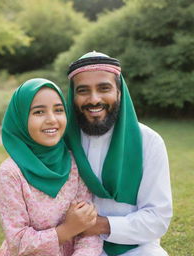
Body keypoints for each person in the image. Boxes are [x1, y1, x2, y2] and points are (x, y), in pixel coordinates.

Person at [65, 51, 173, 256]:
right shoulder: (61, 141)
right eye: (83, 90)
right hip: (71, 245)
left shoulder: (149, 142)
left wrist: (99, 226)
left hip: (135, 249)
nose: (94, 99)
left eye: (104, 88)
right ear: (72, 96)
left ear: (119, 92)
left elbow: (157, 219)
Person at [0, 78, 103, 256]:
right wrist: (67, 229)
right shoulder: (11, 173)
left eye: (59, 110)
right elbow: (18, 243)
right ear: (21, 118)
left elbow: (88, 229)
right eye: (39, 112)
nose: (52, 119)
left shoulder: (75, 163)